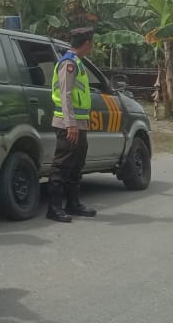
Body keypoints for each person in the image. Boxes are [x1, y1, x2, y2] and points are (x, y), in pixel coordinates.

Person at [47, 27, 99, 222]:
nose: (92, 46)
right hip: (67, 123)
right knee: (62, 165)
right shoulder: (68, 63)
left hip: (79, 123)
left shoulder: (78, 62)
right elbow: (65, 94)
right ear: (86, 43)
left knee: (76, 165)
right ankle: (54, 208)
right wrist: (71, 124)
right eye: (91, 43)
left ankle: (73, 204)